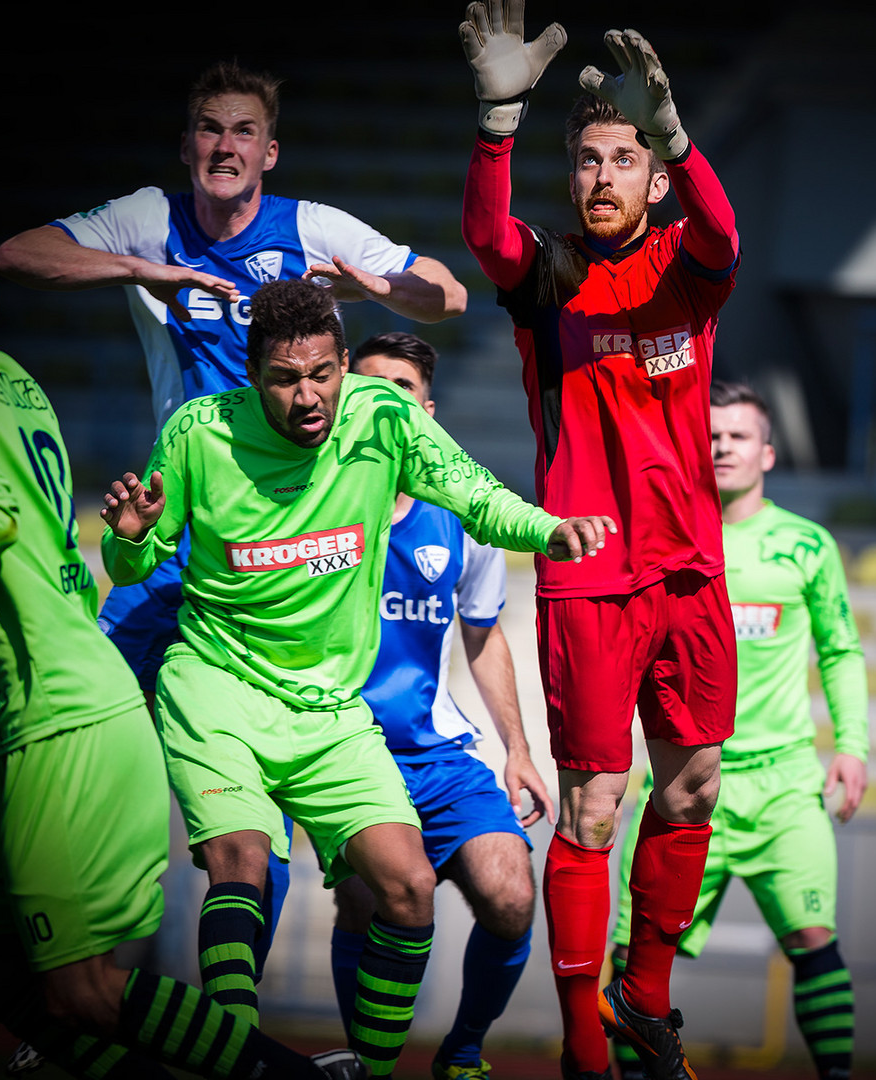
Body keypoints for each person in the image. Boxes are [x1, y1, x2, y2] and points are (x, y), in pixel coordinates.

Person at [0, 56, 468, 996]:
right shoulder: (149, 216)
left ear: (270, 150)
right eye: (210, 129)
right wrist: (143, 271)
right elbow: (13, 256)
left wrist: (372, 289)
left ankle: (229, 1019)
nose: (225, 145)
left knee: (259, 824)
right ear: (187, 145)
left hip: (279, 542)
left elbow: (448, 294)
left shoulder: (314, 229)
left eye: (243, 131)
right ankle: (66, 968)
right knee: (72, 723)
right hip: (176, 527)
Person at [98, 278, 613, 1078]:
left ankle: (372, 1071)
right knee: (240, 860)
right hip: (217, 689)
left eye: (323, 373)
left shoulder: (385, 419)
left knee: (406, 887)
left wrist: (549, 530)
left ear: (343, 362)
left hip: (332, 710)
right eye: (284, 378)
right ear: (253, 372)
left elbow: (473, 492)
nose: (308, 396)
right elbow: (138, 556)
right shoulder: (199, 433)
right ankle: (245, 1058)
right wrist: (128, 541)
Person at [0, 200, 366, 1080]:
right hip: (55, 702)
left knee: (84, 990)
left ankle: (282, 1075)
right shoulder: (15, 383)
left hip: (61, 718)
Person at [459, 5, 742, 1079]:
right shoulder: (552, 279)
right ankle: (584, 1043)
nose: (603, 175)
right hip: (590, 579)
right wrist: (498, 121)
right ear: (570, 177)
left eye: (624, 157)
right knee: (594, 805)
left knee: (695, 788)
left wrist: (677, 136)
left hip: (690, 572)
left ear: (654, 174)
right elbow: (488, 238)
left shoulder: (688, 263)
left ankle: (645, 998)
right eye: (586, 160)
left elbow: (729, 236)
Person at [609, 382, 867, 1080]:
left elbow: (841, 651)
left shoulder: (807, 545)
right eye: (712, 435)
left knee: (816, 939)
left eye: (739, 436)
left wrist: (852, 747)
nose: (722, 445)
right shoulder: (661, 539)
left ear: (769, 452)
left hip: (784, 785)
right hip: (680, 782)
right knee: (633, 957)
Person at [328, 331, 556, 1080]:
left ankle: (461, 1052)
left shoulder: (464, 508)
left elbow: (484, 636)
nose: (383, 402)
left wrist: (519, 750)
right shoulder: (306, 498)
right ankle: (368, 1062)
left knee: (512, 895)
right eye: (366, 387)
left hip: (437, 752)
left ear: (427, 410)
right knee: (368, 904)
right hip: (344, 751)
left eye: (401, 390)